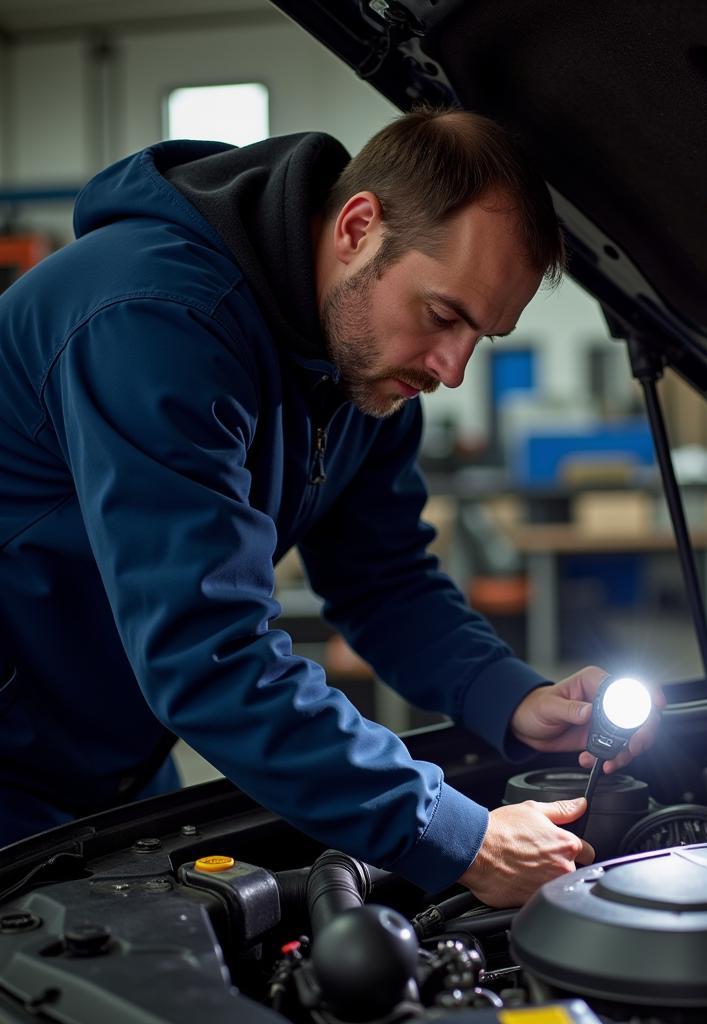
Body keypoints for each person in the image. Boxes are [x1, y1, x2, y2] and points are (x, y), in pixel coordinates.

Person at [0, 108, 659, 906]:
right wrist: (455, 834)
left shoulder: (360, 364)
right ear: (357, 227)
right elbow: (209, 657)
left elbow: (384, 582)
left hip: (109, 748)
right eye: (444, 315)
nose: (452, 370)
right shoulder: (154, 320)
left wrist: (510, 697)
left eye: (480, 336)